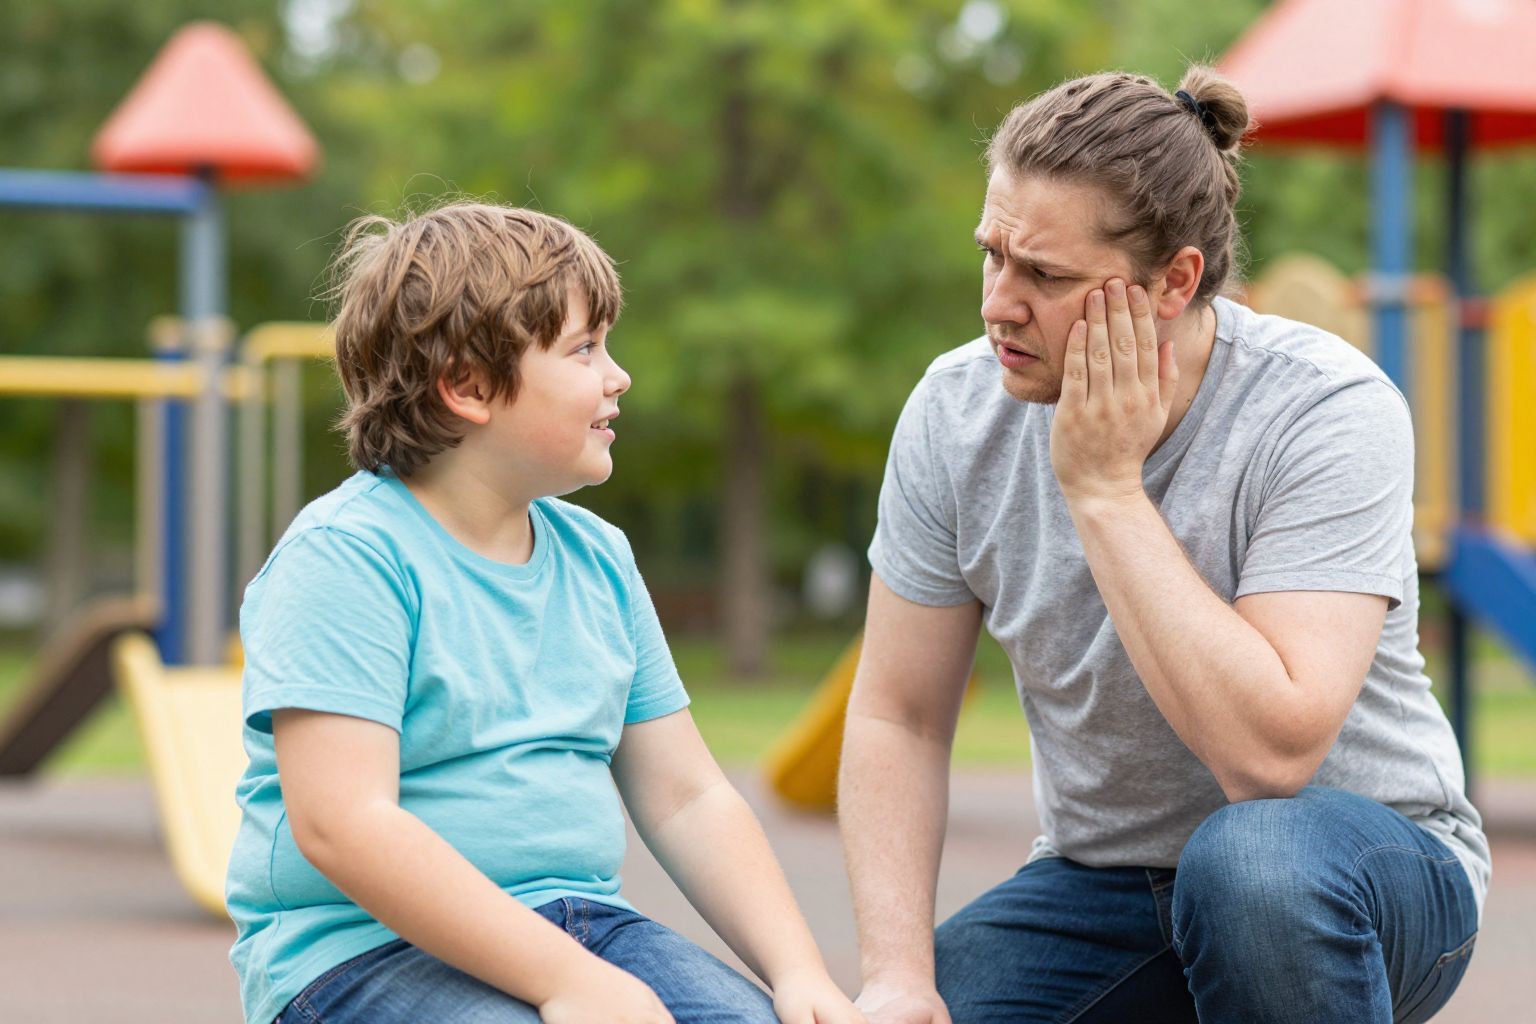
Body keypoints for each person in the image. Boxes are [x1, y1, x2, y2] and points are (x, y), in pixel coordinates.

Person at [838, 67, 1488, 1024]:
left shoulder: (1326, 411)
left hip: (1363, 868)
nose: (998, 305)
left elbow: (1269, 760)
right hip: (1100, 882)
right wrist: (896, 974)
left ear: (1175, 280)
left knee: (1252, 865)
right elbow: (899, 715)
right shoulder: (954, 409)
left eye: (1047, 277)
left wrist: (1105, 489)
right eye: (992, 256)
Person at [226, 203, 861, 1024]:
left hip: (587, 927)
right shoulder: (347, 557)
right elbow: (344, 823)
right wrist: (570, 984)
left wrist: (798, 973)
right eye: (584, 349)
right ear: (469, 386)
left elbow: (688, 796)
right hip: (361, 955)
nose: (617, 375)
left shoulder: (599, 558)